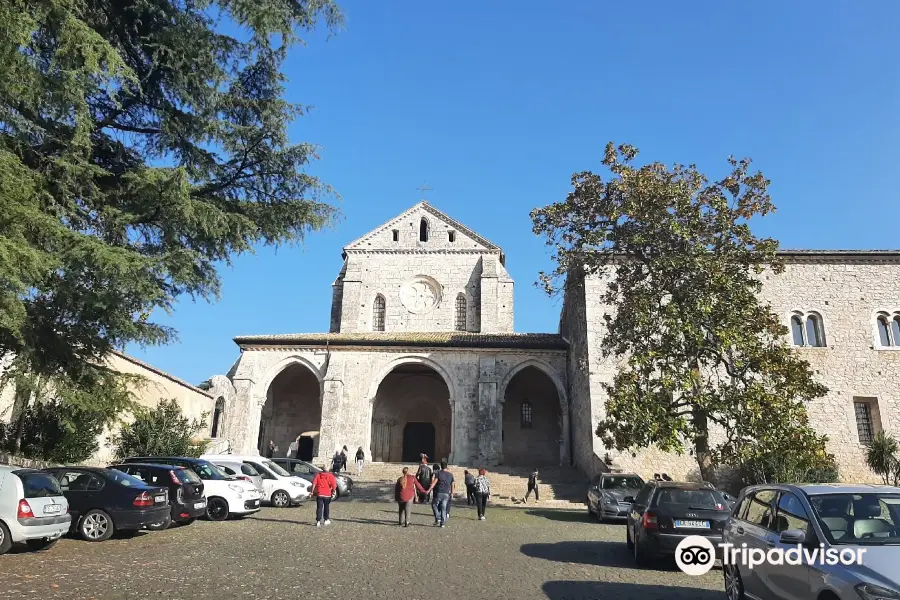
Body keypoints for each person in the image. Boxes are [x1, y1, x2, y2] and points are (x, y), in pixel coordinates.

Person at [428, 460, 454, 527]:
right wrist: (452, 493)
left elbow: (434, 482)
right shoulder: (450, 475)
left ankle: (438, 518)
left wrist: (429, 489)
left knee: (434, 504)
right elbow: (452, 484)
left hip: (439, 491)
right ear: (446, 466)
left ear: (441, 466)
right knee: (443, 507)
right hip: (446, 493)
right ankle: (442, 523)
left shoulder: (438, 473)